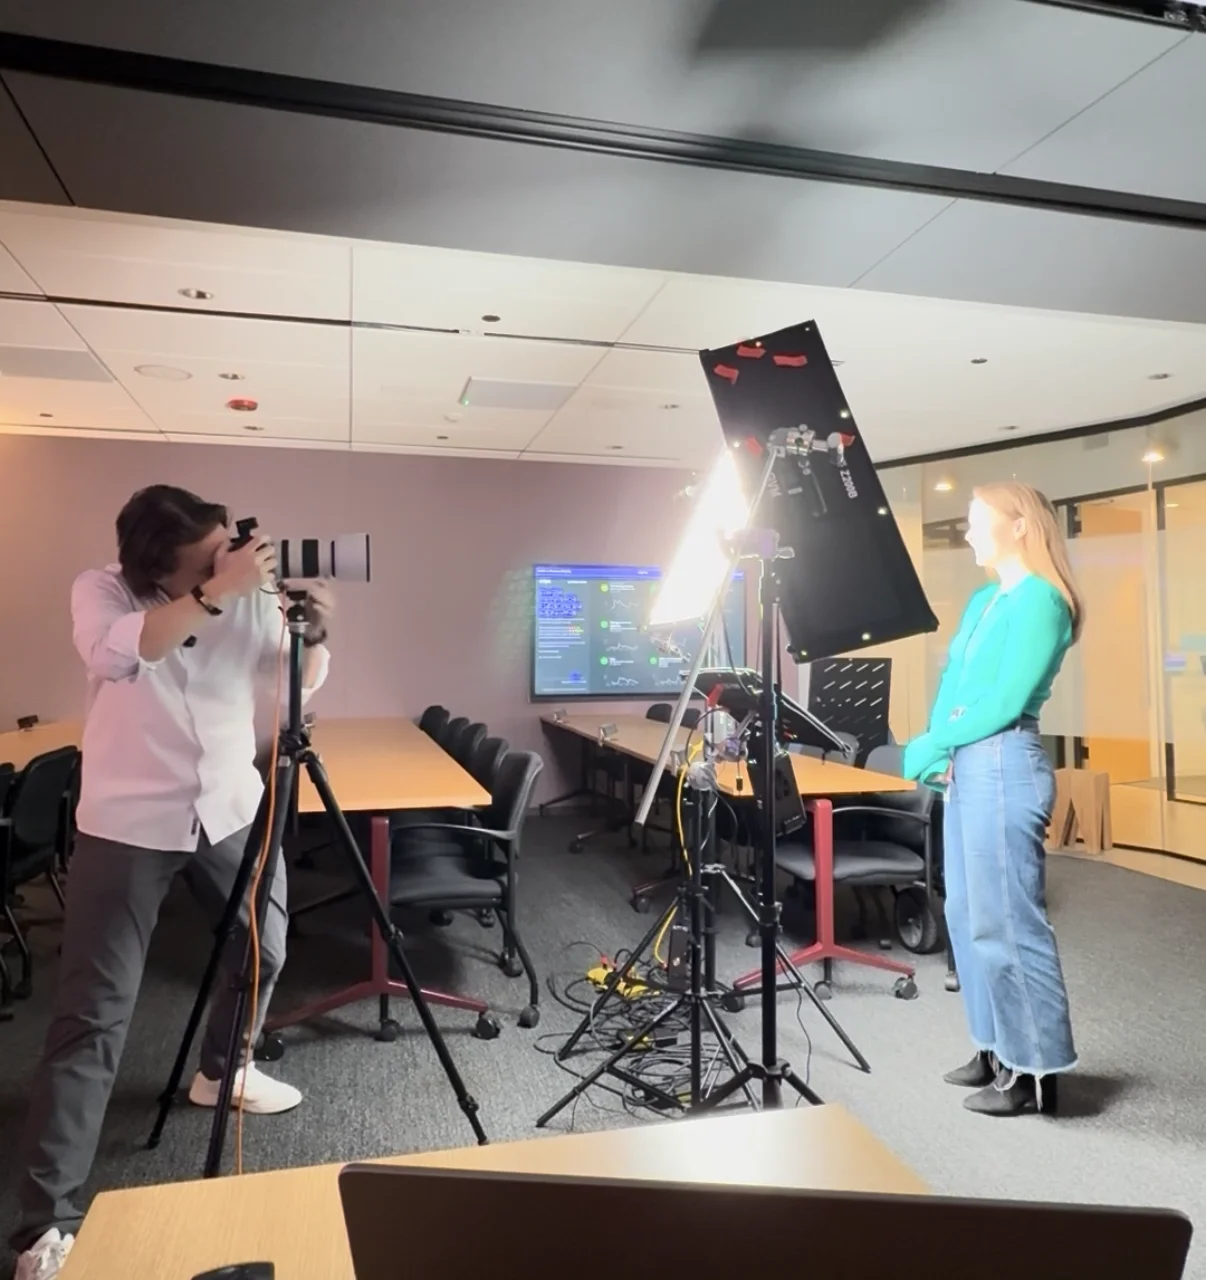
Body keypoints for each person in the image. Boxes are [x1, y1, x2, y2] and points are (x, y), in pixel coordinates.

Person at [10, 486, 334, 1280]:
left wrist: (312, 629)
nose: (232, 560)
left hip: (227, 805)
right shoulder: (104, 591)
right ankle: (44, 1225)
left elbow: (299, 678)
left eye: (229, 546)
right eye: (210, 556)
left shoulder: (242, 589)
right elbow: (122, 653)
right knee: (93, 1014)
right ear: (160, 565)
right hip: (126, 822)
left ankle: (223, 1068)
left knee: (267, 945)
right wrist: (215, 593)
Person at [903, 481, 1082, 1119]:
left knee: (1007, 921)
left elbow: (1005, 701)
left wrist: (930, 740)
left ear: (1021, 526)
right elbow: (955, 682)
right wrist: (938, 748)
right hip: (969, 761)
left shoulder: (1043, 602)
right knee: (965, 917)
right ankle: (994, 1047)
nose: (970, 533)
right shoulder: (983, 599)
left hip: (1006, 759)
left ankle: (1036, 1071)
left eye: (979, 522)